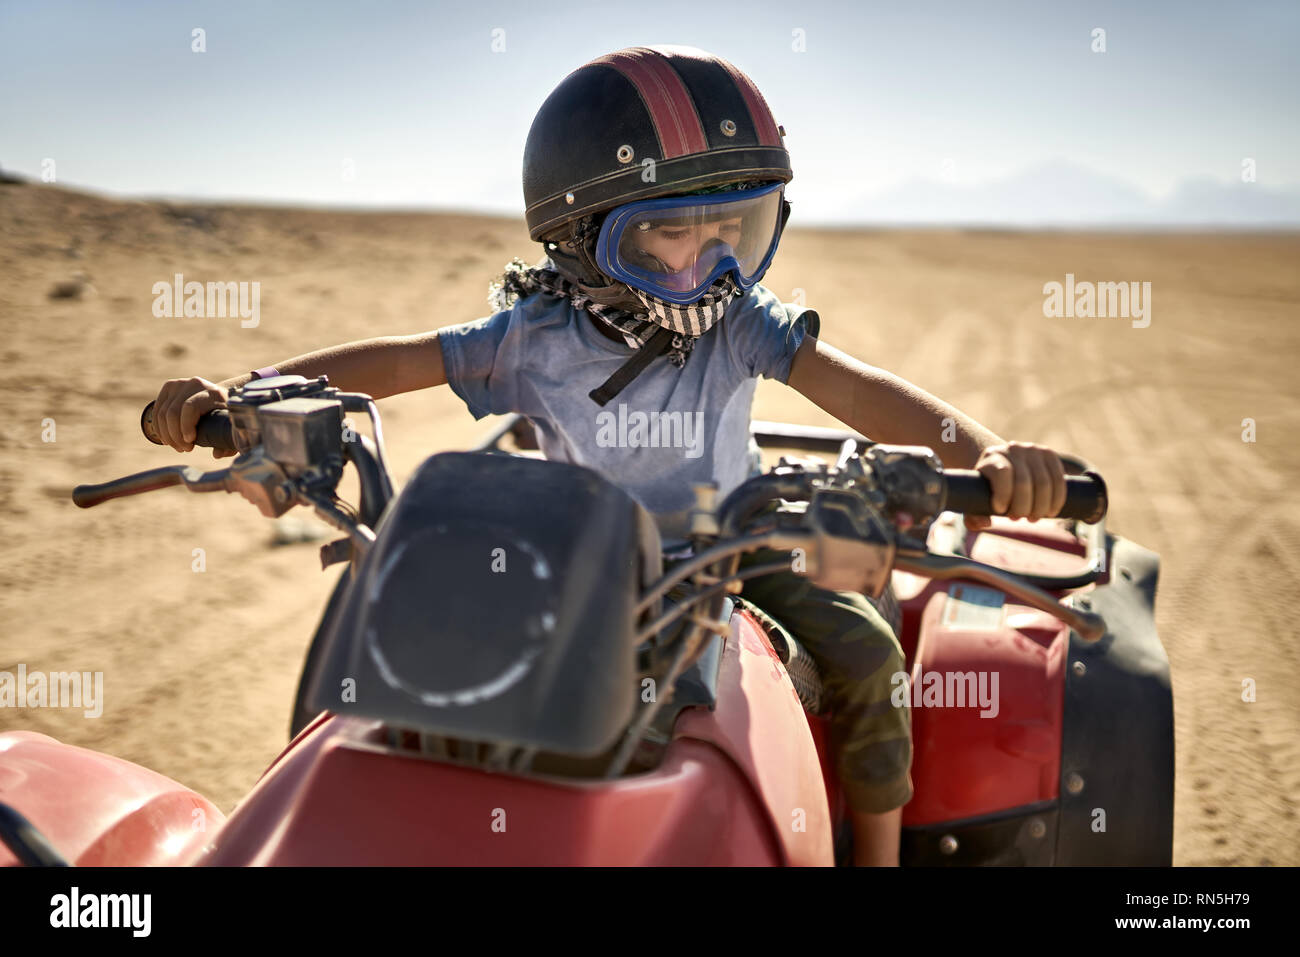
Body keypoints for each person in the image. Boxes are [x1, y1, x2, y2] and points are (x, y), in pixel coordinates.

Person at [149, 46, 1070, 865]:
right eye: (669, 238)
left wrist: (987, 454)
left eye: (736, 234)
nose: (710, 270)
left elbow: (858, 389)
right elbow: (394, 361)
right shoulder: (532, 335)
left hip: (737, 547)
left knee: (866, 651)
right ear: (583, 238)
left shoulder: (740, 322)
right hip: (575, 567)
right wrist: (248, 398)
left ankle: (874, 855)